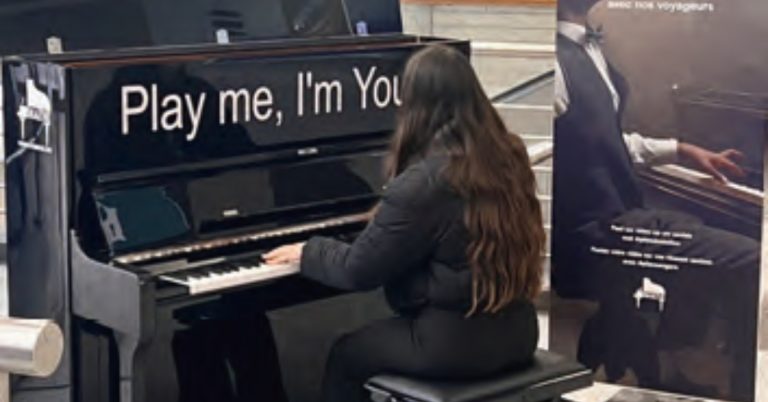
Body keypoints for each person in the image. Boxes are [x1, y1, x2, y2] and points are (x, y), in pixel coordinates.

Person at [265, 44, 545, 402]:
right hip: (519, 334)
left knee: (346, 354)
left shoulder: (426, 181)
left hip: (453, 345)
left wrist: (309, 250)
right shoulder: (508, 155)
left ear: (417, 106)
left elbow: (357, 271)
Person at [551, 0, 760, 399]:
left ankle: (657, 362)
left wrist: (682, 149)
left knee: (690, 237)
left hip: (620, 214)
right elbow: (556, 151)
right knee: (748, 256)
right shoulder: (557, 63)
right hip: (595, 226)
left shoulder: (588, 50)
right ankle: (673, 360)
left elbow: (603, 142)